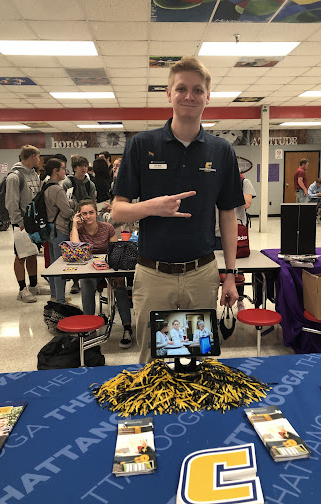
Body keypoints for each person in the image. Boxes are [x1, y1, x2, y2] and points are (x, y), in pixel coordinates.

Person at [112, 56, 243, 364]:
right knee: (154, 365)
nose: (189, 96)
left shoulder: (221, 150)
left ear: (207, 97)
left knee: (195, 363)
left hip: (202, 274)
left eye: (198, 90)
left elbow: (227, 214)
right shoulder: (141, 144)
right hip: (154, 275)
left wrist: (230, 274)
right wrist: (151, 207)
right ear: (169, 94)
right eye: (181, 88)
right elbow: (117, 212)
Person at [70, 199, 133, 348]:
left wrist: (111, 269)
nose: (89, 216)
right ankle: (89, 326)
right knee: (86, 284)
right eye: (84, 213)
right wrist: (74, 225)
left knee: (120, 286)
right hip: (90, 269)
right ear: (80, 215)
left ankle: (127, 328)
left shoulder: (108, 228)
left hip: (109, 266)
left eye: (91, 212)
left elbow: (115, 252)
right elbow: (76, 250)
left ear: (96, 213)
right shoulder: (78, 230)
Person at [6, 144, 49, 303]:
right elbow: (11, 202)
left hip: (33, 222)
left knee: (31, 253)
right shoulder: (14, 176)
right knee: (20, 256)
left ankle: (33, 285)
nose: (39, 159)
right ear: (32, 157)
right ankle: (22, 289)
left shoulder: (34, 174)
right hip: (21, 223)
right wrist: (19, 222)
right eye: (38, 156)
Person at [215, 173, 256, 311]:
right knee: (213, 269)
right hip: (213, 232)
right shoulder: (214, 179)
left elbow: (247, 203)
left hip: (236, 233)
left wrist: (228, 190)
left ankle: (240, 299)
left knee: (238, 269)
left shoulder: (244, 182)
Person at [62, 156, 96, 294]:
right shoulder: (67, 183)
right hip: (73, 220)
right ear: (74, 168)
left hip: (88, 219)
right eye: (80, 166)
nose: (83, 168)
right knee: (74, 248)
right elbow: (65, 202)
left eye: (85, 166)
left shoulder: (90, 184)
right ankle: (75, 281)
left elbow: (93, 201)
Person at [43, 158, 75, 304]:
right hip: (60, 229)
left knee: (54, 265)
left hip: (50, 229)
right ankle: (60, 300)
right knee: (60, 266)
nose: (65, 171)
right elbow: (67, 212)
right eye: (63, 168)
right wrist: (72, 204)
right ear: (56, 171)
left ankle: (55, 296)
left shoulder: (46, 185)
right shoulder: (57, 188)